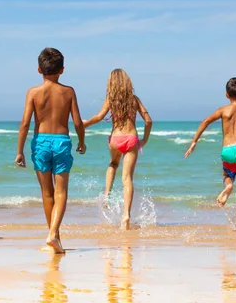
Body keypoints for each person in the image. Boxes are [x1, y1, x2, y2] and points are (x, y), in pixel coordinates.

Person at [15, 48, 86, 254]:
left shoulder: (33, 92)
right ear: (62, 70)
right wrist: (82, 141)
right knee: (61, 191)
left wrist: (19, 150)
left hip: (41, 142)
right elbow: (78, 122)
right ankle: (54, 235)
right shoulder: (68, 91)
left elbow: (25, 124)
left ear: (39, 69)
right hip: (62, 141)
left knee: (47, 194)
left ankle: (54, 236)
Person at [185, 77, 236, 231]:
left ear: (226, 95)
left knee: (226, 175)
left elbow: (205, 121)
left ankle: (228, 185)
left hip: (228, 150)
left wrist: (194, 142)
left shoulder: (223, 110)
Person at [83, 69, 152, 230]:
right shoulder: (134, 100)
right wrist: (145, 139)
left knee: (113, 164)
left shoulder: (111, 100)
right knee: (127, 179)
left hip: (115, 139)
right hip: (131, 139)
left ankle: (107, 194)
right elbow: (148, 120)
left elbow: (99, 117)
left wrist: (85, 124)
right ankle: (126, 216)